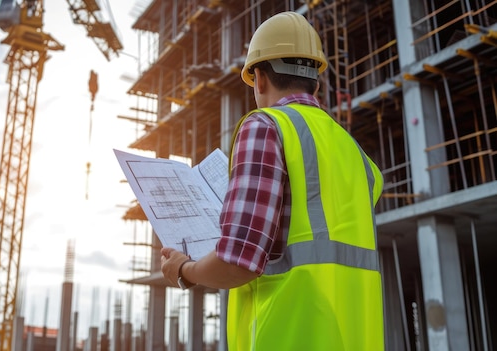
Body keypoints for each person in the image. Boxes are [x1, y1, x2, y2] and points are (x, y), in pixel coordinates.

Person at [160, 11, 385, 351]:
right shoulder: (356, 155)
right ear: (316, 81)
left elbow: (239, 261)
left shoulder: (265, 126)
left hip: (288, 336)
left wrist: (184, 269)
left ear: (259, 78)